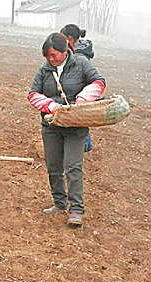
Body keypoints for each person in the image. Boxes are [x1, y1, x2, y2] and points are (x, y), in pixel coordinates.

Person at [27, 32, 105, 227]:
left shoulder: (81, 64)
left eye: (54, 55)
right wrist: (52, 106)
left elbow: (99, 82)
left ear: (65, 51)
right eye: (47, 56)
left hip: (75, 127)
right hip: (51, 125)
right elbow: (33, 94)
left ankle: (76, 210)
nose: (50, 59)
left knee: (73, 167)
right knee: (53, 167)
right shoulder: (44, 69)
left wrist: (82, 100)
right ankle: (59, 203)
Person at [60, 24, 95, 152]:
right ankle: (86, 145)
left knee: (78, 119)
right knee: (79, 119)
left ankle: (85, 146)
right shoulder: (82, 51)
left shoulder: (79, 56)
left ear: (69, 38)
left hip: (79, 91)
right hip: (79, 89)